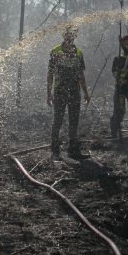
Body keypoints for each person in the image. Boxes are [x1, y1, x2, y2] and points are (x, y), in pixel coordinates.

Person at [47, 26, 90, 159]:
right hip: (60, 92)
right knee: (58, 120)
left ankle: (73, 149)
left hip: (74, 92)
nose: (70, 37)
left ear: (75, 37)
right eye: (68, 35)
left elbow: (81, 74)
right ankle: (55, 150)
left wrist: (85, 93)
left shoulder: (78, 53)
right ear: (64, 35)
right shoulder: (56, 51)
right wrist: (49, 93)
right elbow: (50, 73)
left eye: (73, 35)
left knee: (74, 121)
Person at [109, 34, 128, 140]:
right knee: (119, 111)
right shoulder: (118, 58)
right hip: (120, 88)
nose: (127, 44)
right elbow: (114, 73)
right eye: (125, 42)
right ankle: (114, 133)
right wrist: (118, 73)